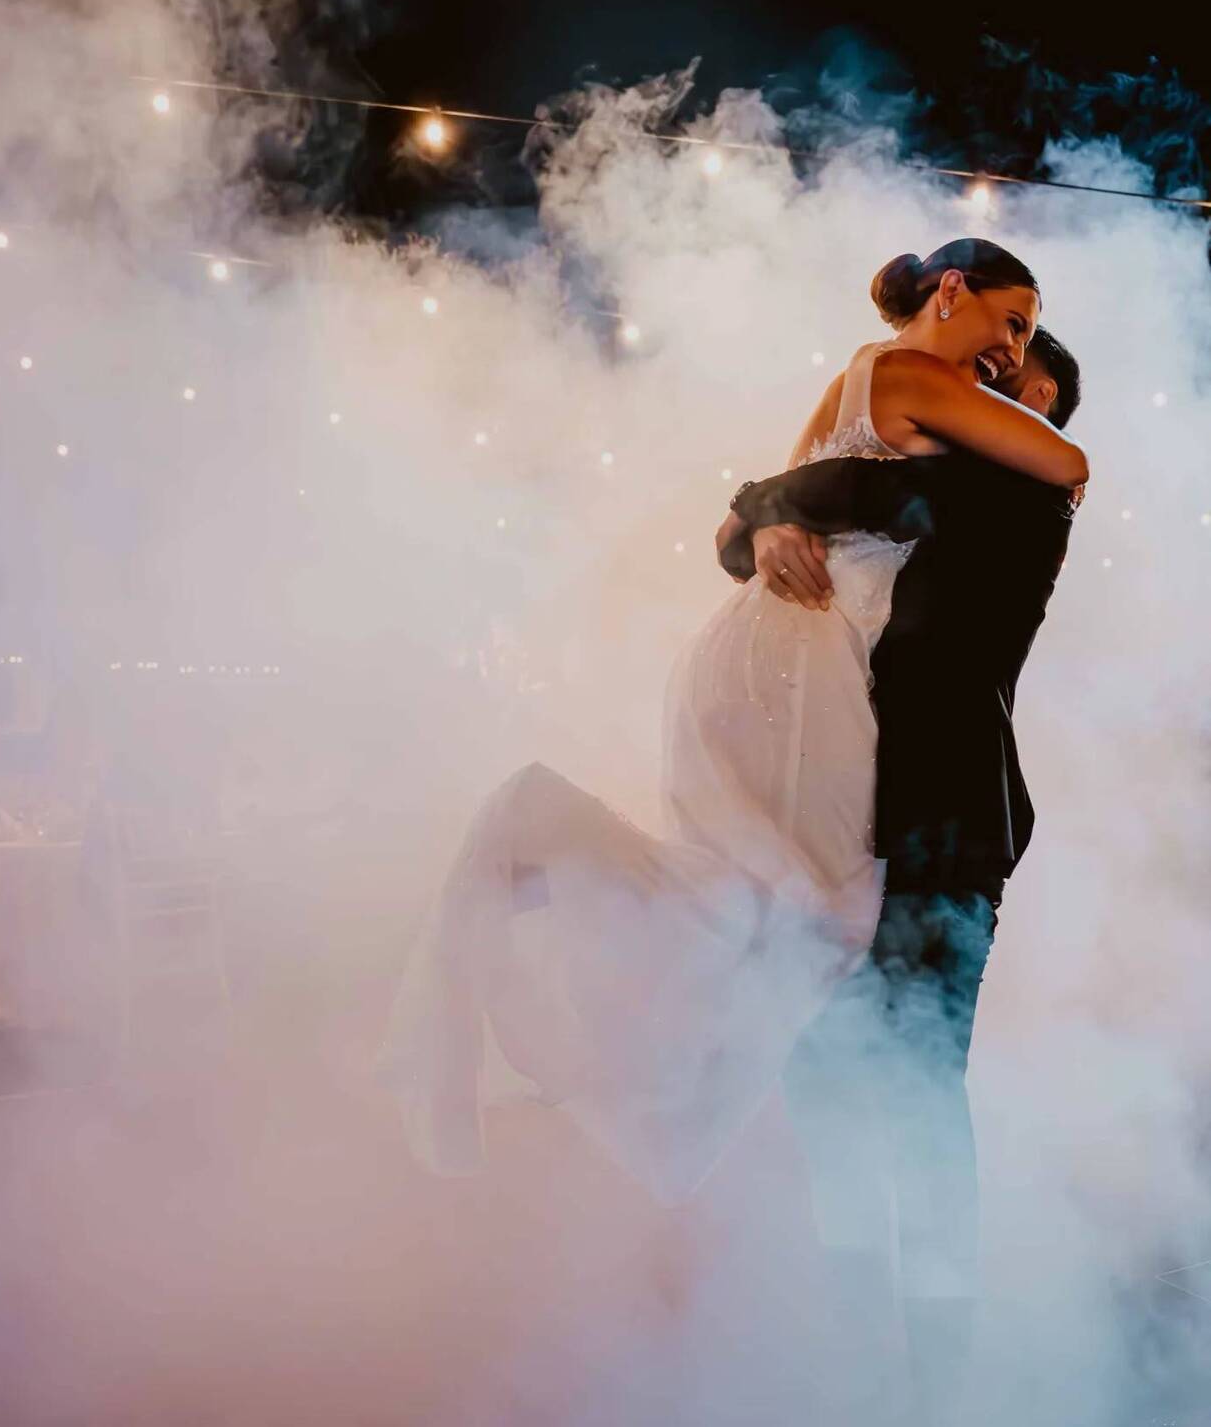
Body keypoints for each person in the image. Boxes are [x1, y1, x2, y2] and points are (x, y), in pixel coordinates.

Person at [376, 239, 1086, 1217]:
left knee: (763, 917)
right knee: (807, 927)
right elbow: (1053, 461)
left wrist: (768, 515)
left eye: (1023, 345)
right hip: (807, 666)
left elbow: (775, 507)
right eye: (1009, 322)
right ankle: (542, 853)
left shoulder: (885, 401)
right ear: (951, 290)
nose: (1007, 357)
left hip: (765, 655)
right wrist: (772, 515)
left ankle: (547, 893)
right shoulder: (916, 380)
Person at [717, 324, 1084, 1420]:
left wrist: (763, 510)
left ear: (1038, 414)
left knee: (915, 1091)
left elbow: (830, 485)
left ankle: (934, 1383)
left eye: (1011, 383)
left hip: (943, 829)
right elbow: (758, 534)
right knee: (824, 1077)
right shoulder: (934, 491)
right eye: (981, 375)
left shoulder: (1017, 494)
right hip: (851, 824)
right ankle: (863, 1356)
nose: (981, 389)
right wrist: (760, 528)